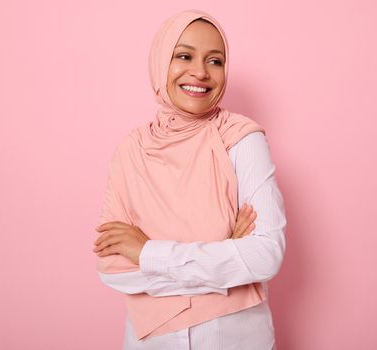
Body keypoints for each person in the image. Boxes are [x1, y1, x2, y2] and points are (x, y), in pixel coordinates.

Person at [92, 9, 286, 350]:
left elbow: (265, 256)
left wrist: (148, 254)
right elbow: (112, 270)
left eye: (215, 61)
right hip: (151, 342)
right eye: (184, 56)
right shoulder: (131, 150)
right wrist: (225, 253)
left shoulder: (241, 138)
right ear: (160, 61)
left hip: (236, 339)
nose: (200, 72)